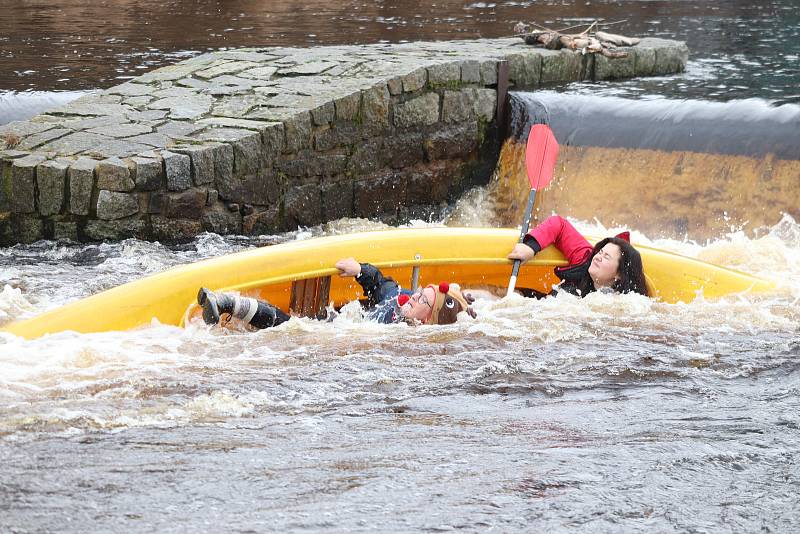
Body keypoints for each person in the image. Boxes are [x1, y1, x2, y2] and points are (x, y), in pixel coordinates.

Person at [197, 257, 476, 329]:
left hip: (332, 341)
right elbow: (379, 282)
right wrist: (359, 270)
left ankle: (226, 304)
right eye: (420, 292)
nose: (414, 296)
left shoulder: (408, 339)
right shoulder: (396, 299)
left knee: (289, 328)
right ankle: (223, 303)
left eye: (423, 300)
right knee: (291, 326)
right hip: (330, 325)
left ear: (427, 319)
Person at [507, 215, 649, 297]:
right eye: (600, 252)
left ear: (619, 274)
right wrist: (531, 247)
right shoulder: (585, 258)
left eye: (606, 257)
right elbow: (559, 224)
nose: (598, 257)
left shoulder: (625, 302)